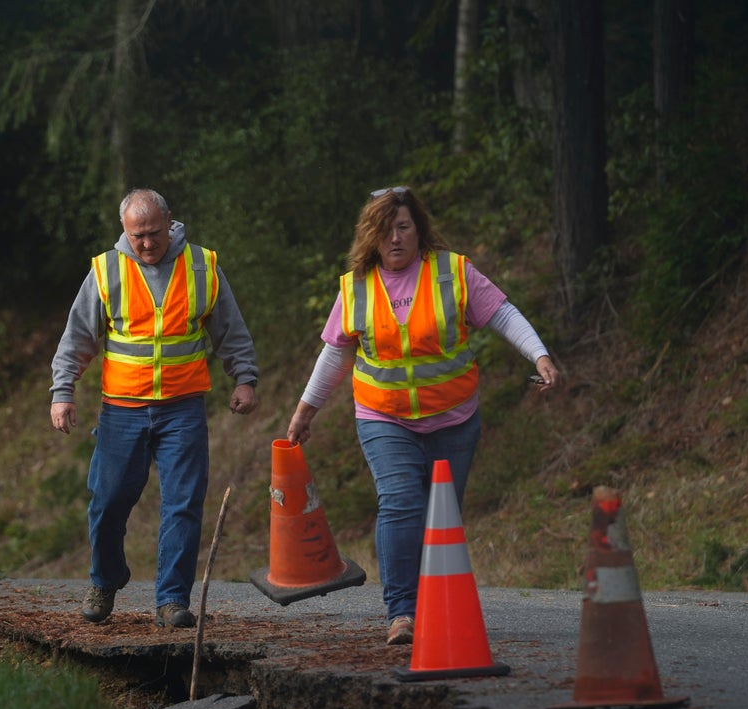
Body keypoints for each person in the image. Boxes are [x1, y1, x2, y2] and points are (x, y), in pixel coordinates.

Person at [285, 186, 560, 646]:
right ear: (369, 236)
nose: (395, 238)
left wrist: (540, 356)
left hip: (454, 420)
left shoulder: (453, 273)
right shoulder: (356, 287)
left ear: (419, 229)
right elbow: (335, 356)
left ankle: (438, 607)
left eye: (404, 227)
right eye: (384, 229)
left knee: (441, 517)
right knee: (399, 503)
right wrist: (304, 412)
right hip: (384, 418)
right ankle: (402, 613)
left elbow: (503, 315)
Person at [50, 188, 259, 629]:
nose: (145, 244)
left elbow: (230, 328)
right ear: (124, 232)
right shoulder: (107, 270)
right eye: (136, 236)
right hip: (122, 411)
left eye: (153, 234)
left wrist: (244, 377)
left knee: (183, 502)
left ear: (170, 223)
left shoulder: (202, 265)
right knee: (107, 502)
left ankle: (171, 600)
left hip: (183, 409)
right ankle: (105, 582)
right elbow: (78, 338)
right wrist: (62, 391)